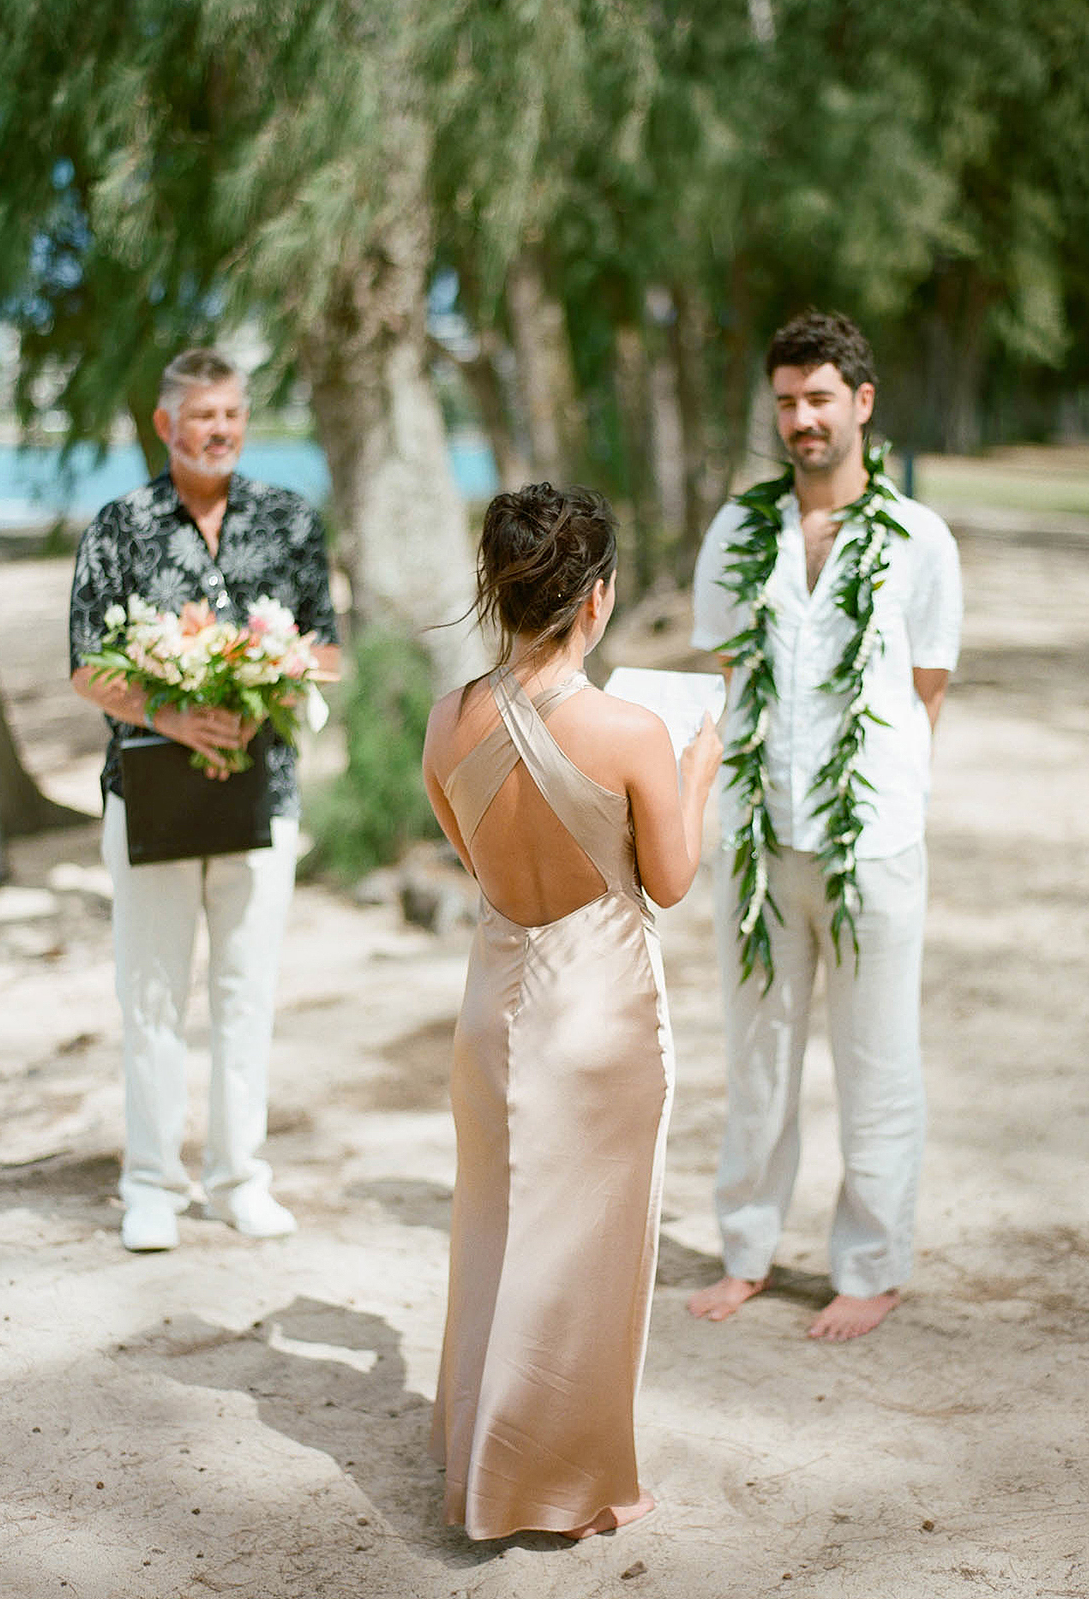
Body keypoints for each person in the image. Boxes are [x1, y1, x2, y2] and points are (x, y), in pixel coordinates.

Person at [423, 482, 721, 1540]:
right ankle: (581, 1486)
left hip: (493, 1006)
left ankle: (480, 1457)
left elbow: (469, 850)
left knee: (496, 1231)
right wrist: (699, 766)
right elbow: (673, 882)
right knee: (589, 1255)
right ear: (593, 601)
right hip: (597, 1015)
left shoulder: (449, 716)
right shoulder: (633, 728)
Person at [687, 311, 962, 1341]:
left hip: (873, 846)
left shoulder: (918, 541)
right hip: (759, 845)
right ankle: (748, 1250)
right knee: (756, 1057)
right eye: (787, 402)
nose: (803, 419)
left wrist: (888, 796)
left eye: (819, 399)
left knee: (877, 1059)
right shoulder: (737, 531)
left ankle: (872, 1265)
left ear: (863, 403)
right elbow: (726, 673)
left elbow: (927, 685)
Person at [69, 349, 340, 1253]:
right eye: (203, 416)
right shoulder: (120, 526)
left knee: (245, 991)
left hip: (264, 792)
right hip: (147, 792)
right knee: (150, 994)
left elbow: (327, 650)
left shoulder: (291, 521)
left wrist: (270, 673)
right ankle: (152, 1184)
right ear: (165, 425)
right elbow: (85, 667)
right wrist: (175, 714)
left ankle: (238, 1179)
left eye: (232, 414)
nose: (220, 430)